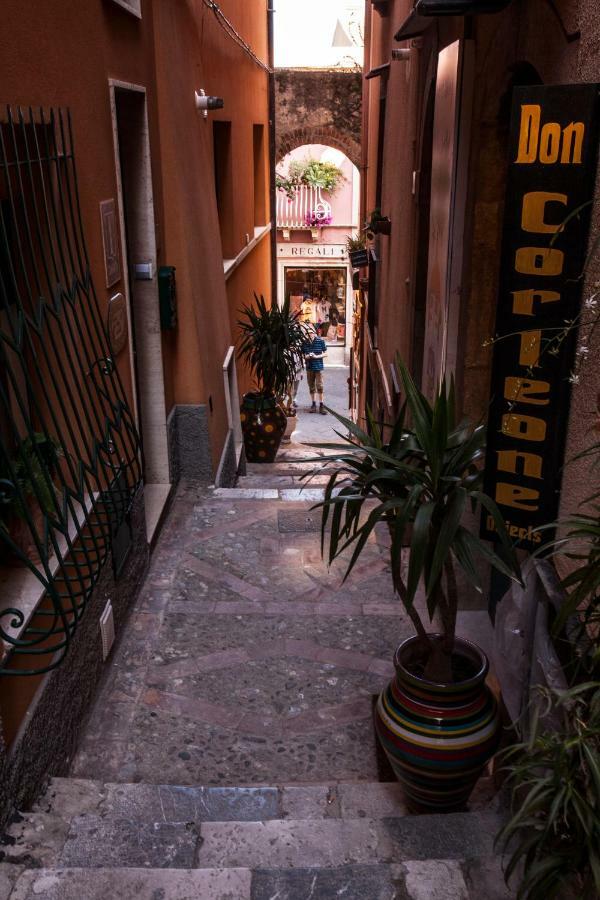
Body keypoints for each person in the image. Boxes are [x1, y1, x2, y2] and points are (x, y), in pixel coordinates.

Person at [303, 324, 328, 414]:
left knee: (320, 386)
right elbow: (303, 356)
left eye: (311, 332)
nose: (310, 334)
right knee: (311, 386)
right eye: (308, 333)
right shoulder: (305, 342)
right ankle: (313, 404)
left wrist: (317, 356)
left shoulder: (320, 341)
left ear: (314, 332)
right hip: (309, 367)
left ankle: (321, 405)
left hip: (318, 367)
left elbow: (325, 353)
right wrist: (308, 356)